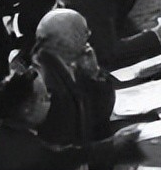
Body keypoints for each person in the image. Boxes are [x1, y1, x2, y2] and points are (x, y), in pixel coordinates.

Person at [0, 67, 140, 170]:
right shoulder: (28, 151)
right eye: (44, 98)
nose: (50, 98)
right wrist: (114, 143)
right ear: (27, 108)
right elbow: (65, 157)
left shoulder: (3, 134)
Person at [29, 9, 114, 150]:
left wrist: (94, 73)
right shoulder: (47, 86)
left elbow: (102, 113)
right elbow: (72, 138)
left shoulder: (71, 63)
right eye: (83, 32)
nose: (88, 35)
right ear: (64, 42)